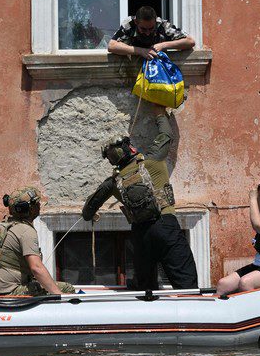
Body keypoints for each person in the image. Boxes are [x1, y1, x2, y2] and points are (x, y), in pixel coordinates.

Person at [82, 104, 198, 290]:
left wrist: (92, 214)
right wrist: (159, 113)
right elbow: (167, 135)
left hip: (141, 235)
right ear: (131, 149)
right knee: (186, 283)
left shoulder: (113, 182)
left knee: (145, 288)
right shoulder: (152, 159)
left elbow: (87, 211)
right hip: (166, 225)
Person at [0, 186, 75, 296]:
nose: (39, 206)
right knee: (67, 288)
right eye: (37, 203)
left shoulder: (2, 227)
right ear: (31, 208)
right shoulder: (26, 231)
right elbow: (36, 268)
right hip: (10, 292)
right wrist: (59, 295)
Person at [108, 5, 196, 61]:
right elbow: (112, 46)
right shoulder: (129, 24)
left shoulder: (162, 25)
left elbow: (190, 41)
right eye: (143, 29)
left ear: (155, 22)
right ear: (136, 22)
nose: (147, 33)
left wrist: (163, 45)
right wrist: (141, 51)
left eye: (151, 29)